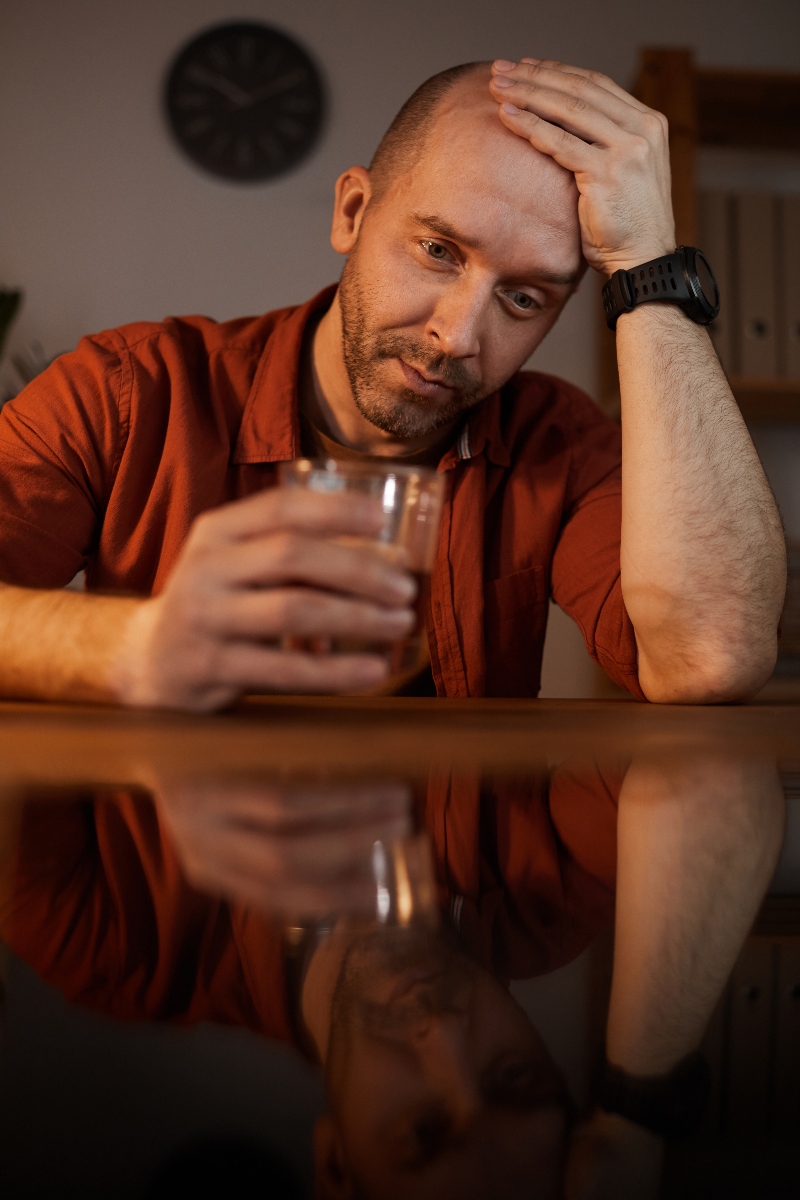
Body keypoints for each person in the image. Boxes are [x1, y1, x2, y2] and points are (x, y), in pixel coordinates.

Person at [0, 58, 785, 707]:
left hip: (447, 889)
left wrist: (649, 268)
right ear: (351, 211)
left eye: (524, 298)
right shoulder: (131, 392)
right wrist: (136, 646)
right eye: (439, 251)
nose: (458, 335)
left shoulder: (559, 443)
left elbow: (710, 657)